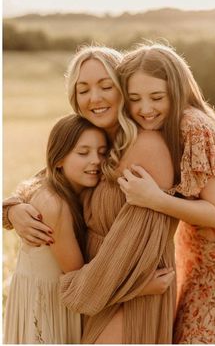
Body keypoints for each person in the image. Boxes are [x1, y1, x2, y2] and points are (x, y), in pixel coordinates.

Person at [3, 46, 177, 344]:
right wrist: (11, 209)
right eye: (83, 89)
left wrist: (130, 288)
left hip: (131, 290)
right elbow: (46, 177)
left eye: (106, 86)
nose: (94, 98)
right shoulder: (96, 143)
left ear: (124, 88)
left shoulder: (143, 147)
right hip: (99, 292)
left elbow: (134, 243)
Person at [116, 43, 215, 344]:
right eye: (134, 99)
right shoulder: (171, 125)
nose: (145, 109)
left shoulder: (193, 126)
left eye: (157, 97)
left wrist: (154, 199)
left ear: (178, 91)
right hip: (203, 263)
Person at [3, 114, 110, 343]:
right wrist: (141, 288)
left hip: (54, 299)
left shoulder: (70, 189)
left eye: (102, 152)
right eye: (83, 153)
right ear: (59, 158)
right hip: (47, 306)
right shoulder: (54, 204)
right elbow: (79, 281)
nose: (96, 161)